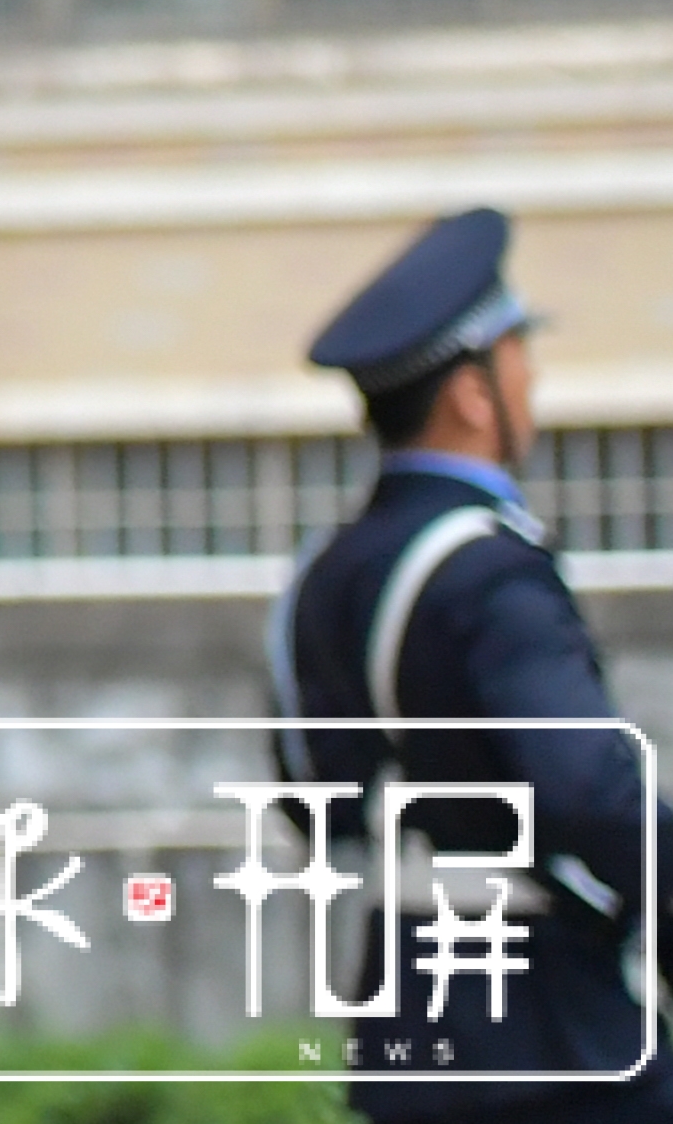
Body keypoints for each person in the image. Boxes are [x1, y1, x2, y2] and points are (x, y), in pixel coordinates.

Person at [276, 210, 668, 1114]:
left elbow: (310, 797)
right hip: (547, 1031)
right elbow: (586, 788)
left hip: (403, 1015)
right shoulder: (488, 568)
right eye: (518, 351)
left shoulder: (323, 572)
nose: (531, 379)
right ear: (470, 392)